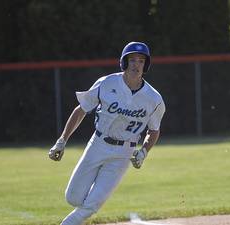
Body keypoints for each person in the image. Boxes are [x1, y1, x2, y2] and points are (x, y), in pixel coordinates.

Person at [48, 41, 165, 225]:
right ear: (124, 62)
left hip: (123, 153)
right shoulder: (107, 83)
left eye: (141, 61)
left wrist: (144, 151)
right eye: (132, 60)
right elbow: (81, 111)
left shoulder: (154, 98)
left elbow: (154, 130)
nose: (136, 64)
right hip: (98, 144)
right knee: (74, 199)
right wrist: (62, 140)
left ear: (146, 65)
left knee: (91, 205)